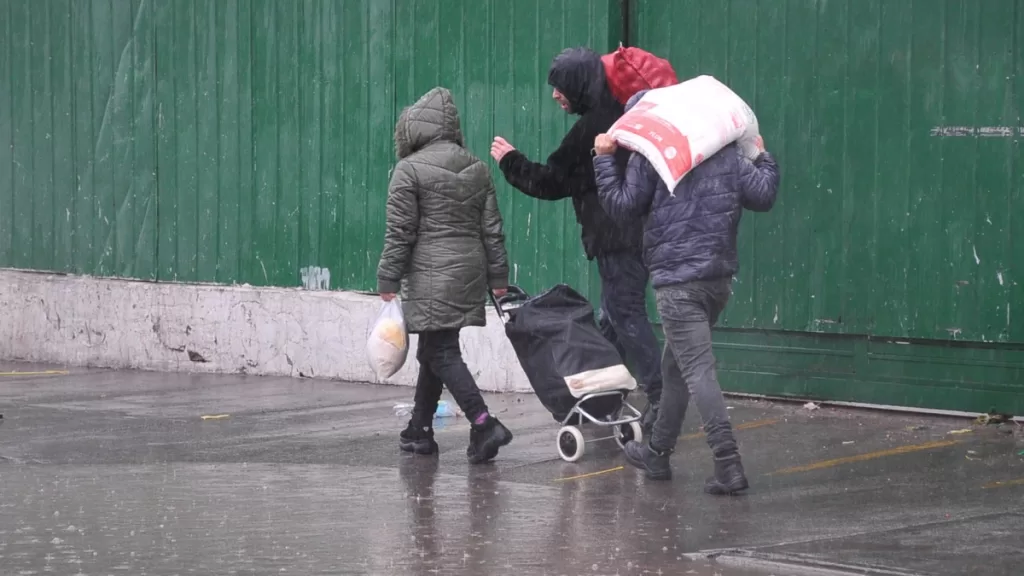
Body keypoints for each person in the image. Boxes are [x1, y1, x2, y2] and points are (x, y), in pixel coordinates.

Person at [591, 89, 780, 495]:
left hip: (678, 281)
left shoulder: (651, 158)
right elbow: (763, 195)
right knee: (675, 367)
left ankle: (728, 464)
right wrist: (763, 157)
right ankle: (658, 453)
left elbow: (622, 206)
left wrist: (605, 160)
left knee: (696, 370)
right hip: (717, 279)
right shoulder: (727, 156)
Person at [490, 47, 663, 432]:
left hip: (618, 239)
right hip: (637, 235)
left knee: (625, 315)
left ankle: (662, 397)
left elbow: (552, 182)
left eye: (560, 87)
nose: (554, 95)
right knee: (613, 320)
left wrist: (510, 161)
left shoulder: (594, 127)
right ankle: (600, 398)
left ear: (579, 85)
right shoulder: (620, 112)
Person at [377, 87, 513, 464]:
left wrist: (388, 276)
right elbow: (492, 230)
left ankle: (484, 423)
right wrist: (497, 276)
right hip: (469, 269)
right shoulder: (476, 167)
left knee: (442, 351)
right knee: (434, 350)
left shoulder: (409, 169)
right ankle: (420, 429)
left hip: (432, 272)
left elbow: (401, 231)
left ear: (414, 128)